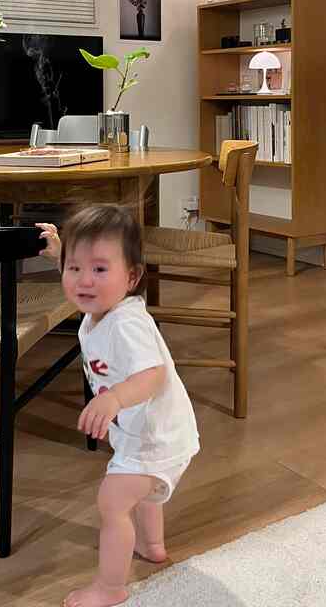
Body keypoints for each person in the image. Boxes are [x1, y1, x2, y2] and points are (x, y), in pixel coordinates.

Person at [37, 207, 199, 607]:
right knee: (139, 494)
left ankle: (110, 588)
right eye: (74, 268)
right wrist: (60, 251)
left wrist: (113, 398)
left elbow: (153, 375)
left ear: (132, 277)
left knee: (113, 502)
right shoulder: (101, 310)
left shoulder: (126, 323)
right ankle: (153, 545)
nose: (84, 281)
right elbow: (85, 269)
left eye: (99, 270)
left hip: (153, 436)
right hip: (148, 431)